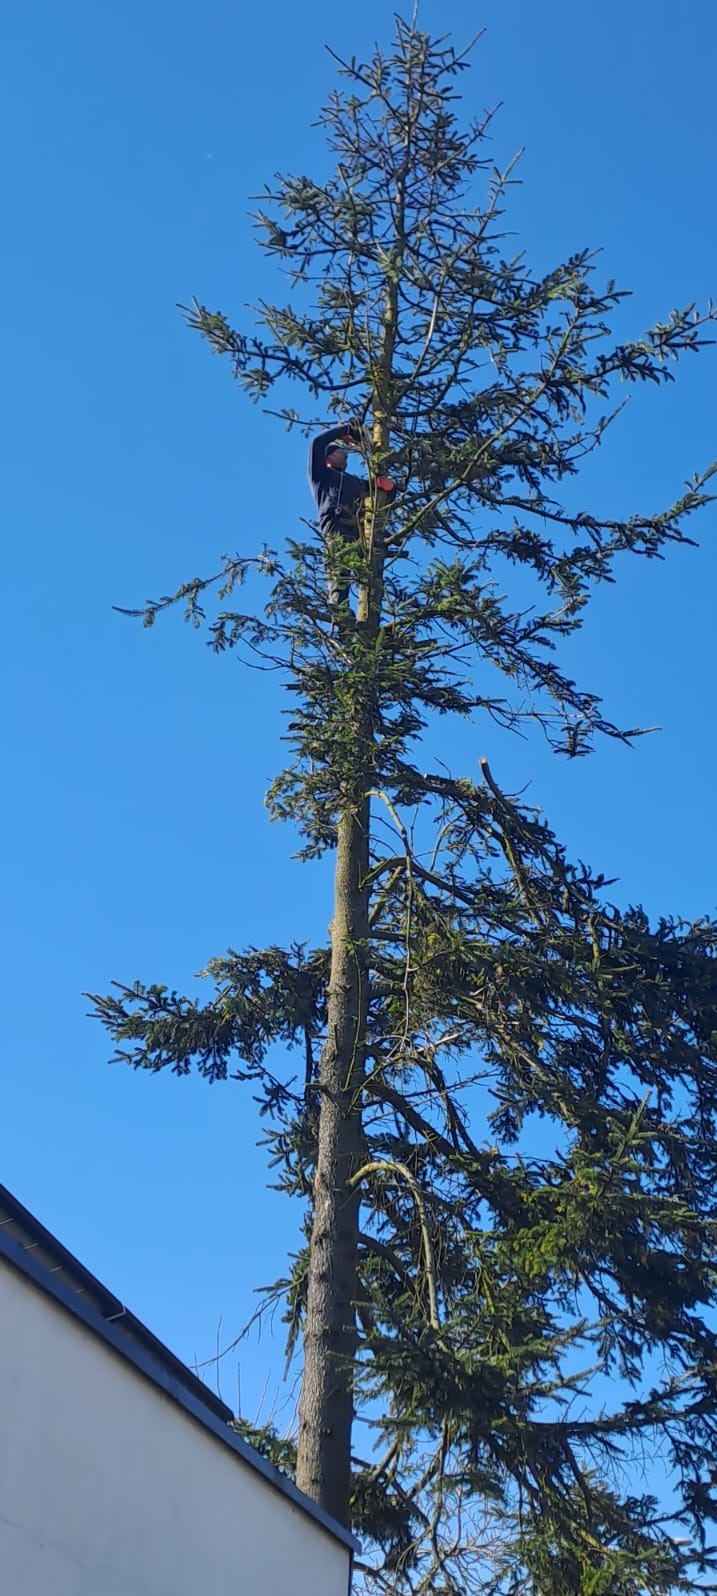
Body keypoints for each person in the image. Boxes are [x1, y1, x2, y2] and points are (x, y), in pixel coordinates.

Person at [308, 422, 395, 606]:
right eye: (339, 451)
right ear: (328, 457)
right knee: (339, 573)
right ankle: (341, 617)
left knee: (370, 572)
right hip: (336, 527)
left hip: (360, 530)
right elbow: (317, 443)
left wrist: (389, 489)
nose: (344, 454)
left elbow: (380, 496)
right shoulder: (321, 476)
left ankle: (370, 613)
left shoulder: (355, 482)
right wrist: (345, 430)